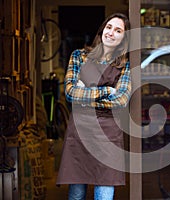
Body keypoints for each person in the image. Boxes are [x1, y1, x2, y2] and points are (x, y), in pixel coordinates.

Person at [56, 13, 131, 200]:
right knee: (76, 195)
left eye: (118, 30)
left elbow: (121, 100)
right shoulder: (79, 56)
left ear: (124, 38)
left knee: (104, 196)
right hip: (80, 134)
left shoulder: (126, 66)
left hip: (107, 137)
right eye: (109, 27)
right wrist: (106, 90)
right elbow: (71, 93)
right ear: (102, 30)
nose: (111, 33)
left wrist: (86, 93)